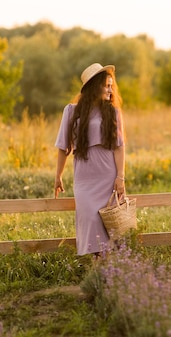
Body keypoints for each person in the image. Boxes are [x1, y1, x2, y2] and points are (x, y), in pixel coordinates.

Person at [54, 63, 126, 256]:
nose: (111, 90)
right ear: (95, 86)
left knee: (108, 223)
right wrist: (58, 176)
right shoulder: (71, 111)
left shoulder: (113, 113)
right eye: (107, 85)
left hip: (107, 174)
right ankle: (101, 270)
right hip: (85, 178)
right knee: (91, 220)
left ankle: (106, 272)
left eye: (112, 86)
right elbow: (63, 147)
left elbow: (119, 147)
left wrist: (120, 177)